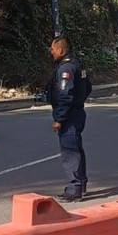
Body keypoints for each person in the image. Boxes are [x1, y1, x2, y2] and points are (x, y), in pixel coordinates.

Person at [45, 35, 90, 201]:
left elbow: (65, 95)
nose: (51, 52)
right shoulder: (77, 64)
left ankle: (74, 188)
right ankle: (81, 184)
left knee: (70, 152)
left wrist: (59, 118)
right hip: (77, 112)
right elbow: (87, 88)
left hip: (69, 116)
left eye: (53, 49)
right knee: (76, 149)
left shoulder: (66, 69)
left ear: (61, 50)